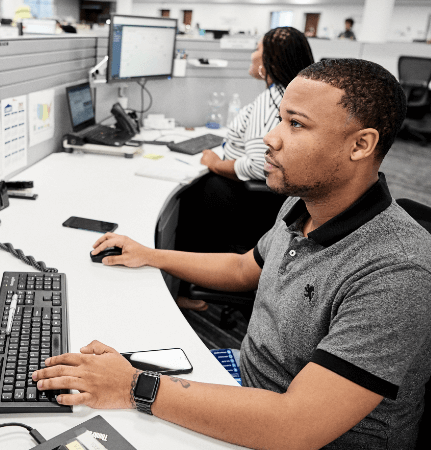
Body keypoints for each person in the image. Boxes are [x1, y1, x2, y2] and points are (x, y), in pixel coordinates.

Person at [33, 59, 431, 449]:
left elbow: (296, 427)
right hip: (247, 380)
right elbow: (244, 268)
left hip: (295, 432)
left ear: (361, 144)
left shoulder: (398, 270)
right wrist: (151, 255)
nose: (270, 138)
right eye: (280, 118)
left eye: (296, 124)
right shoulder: (304, 205)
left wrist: (132, 386)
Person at [175, 26, 314, 311]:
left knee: (187, 197)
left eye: (256, 49)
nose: (251, 56)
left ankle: (185, 288)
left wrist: (215, 163)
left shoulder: (271, 100)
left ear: (269, 63)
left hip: (250, 200)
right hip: (275, 204)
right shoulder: (296, 97)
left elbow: (254, 166)